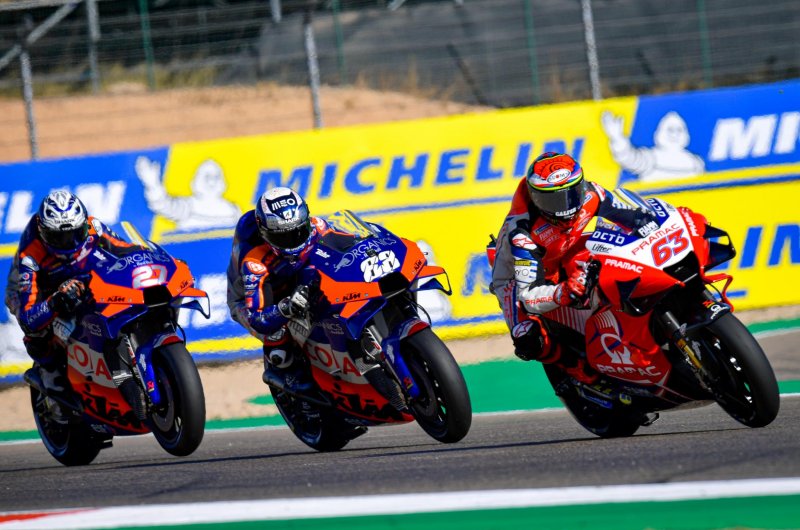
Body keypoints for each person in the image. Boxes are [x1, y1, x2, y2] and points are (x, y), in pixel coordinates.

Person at [491, 152, 658, 383]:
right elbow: (528, 296)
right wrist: (563, 292)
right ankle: (575, 368)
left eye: (572, 194)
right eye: (554, 201)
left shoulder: (592, 194)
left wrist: (657, 224)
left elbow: (636, 216)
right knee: (528, 339)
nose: (567, 207)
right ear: (535, 198)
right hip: (519, 279)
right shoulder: (522, 233)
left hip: (565, 252)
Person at [4, 190, 137, 418]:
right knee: (36, 330)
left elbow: (128, 250)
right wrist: (55, 302)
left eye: (77, 234)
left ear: (84, 222)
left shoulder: (94, 226)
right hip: (40, 289)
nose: (71, 243)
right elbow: (28, 316)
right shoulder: (31, 256)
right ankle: (50, 376)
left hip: (79, 277)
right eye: (60, 238)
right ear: (44, 232)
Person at [226, 186, 325, 394]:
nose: (295, 242)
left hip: (294, 278)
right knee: (276, 335)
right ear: (265, 233)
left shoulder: (318, 226)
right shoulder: (254, 261)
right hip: (256, 299)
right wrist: (286, 308)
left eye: (299, 231)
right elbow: (258, 318)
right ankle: (291, 381)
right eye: (284, 237)